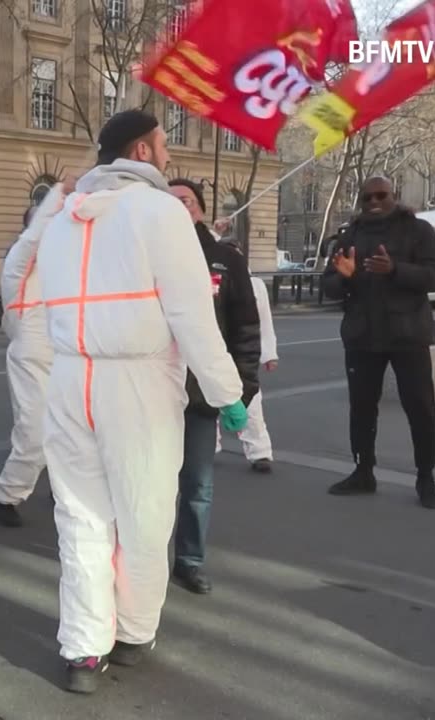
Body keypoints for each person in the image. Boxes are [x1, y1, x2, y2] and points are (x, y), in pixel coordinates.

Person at [38, 110, 246, 694]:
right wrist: (228, 394)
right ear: (142, 151)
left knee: (79, 517)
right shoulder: (160, 213)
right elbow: (192, 316)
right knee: (146, 514)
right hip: (138, 382)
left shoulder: (61, 220)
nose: (170, 155)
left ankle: (83, 648)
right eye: (163, 144)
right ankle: (131, 631)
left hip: (70, 377)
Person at [321, 176, 435, 509]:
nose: (374, 202)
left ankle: (426, 477)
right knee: (361, 409)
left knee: (420, 408)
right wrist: (343, 278)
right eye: (367, 198)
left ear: (395, 196)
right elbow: (328, 285)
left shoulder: (418, 231)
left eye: (381, 195)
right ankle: (363, 471)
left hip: (408, 335)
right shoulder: (351, 234)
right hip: (362, 337)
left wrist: (395, 270)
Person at [166, 178, 261, 596]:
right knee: (147, 482)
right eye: (170, 203)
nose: (180, 208)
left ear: (201, 209)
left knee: (197, 484)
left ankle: (189, 560)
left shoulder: (224, 259)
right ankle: (139, 563)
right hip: (151, 390)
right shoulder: (148, 255)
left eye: (187, 201)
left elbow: (245, 328)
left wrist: (242, 389)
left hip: (201, 392)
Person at [0, 180, 71, 527]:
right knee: (34, 431)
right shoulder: (18, 265)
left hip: (65, 354)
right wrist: (59, 194)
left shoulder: (62, 264)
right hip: (31, 356)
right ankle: (7, 495)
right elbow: (35, 235)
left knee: (69, 429)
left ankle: (62, 486)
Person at [215, 247, 278, 473]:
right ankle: (208, 446)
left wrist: (269, 353)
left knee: (250, 400)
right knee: (206, 398)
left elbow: (263, 322)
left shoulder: (255, 285)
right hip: (214, 350)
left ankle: (260, 452)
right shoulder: (209, 277)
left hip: (241, 351)